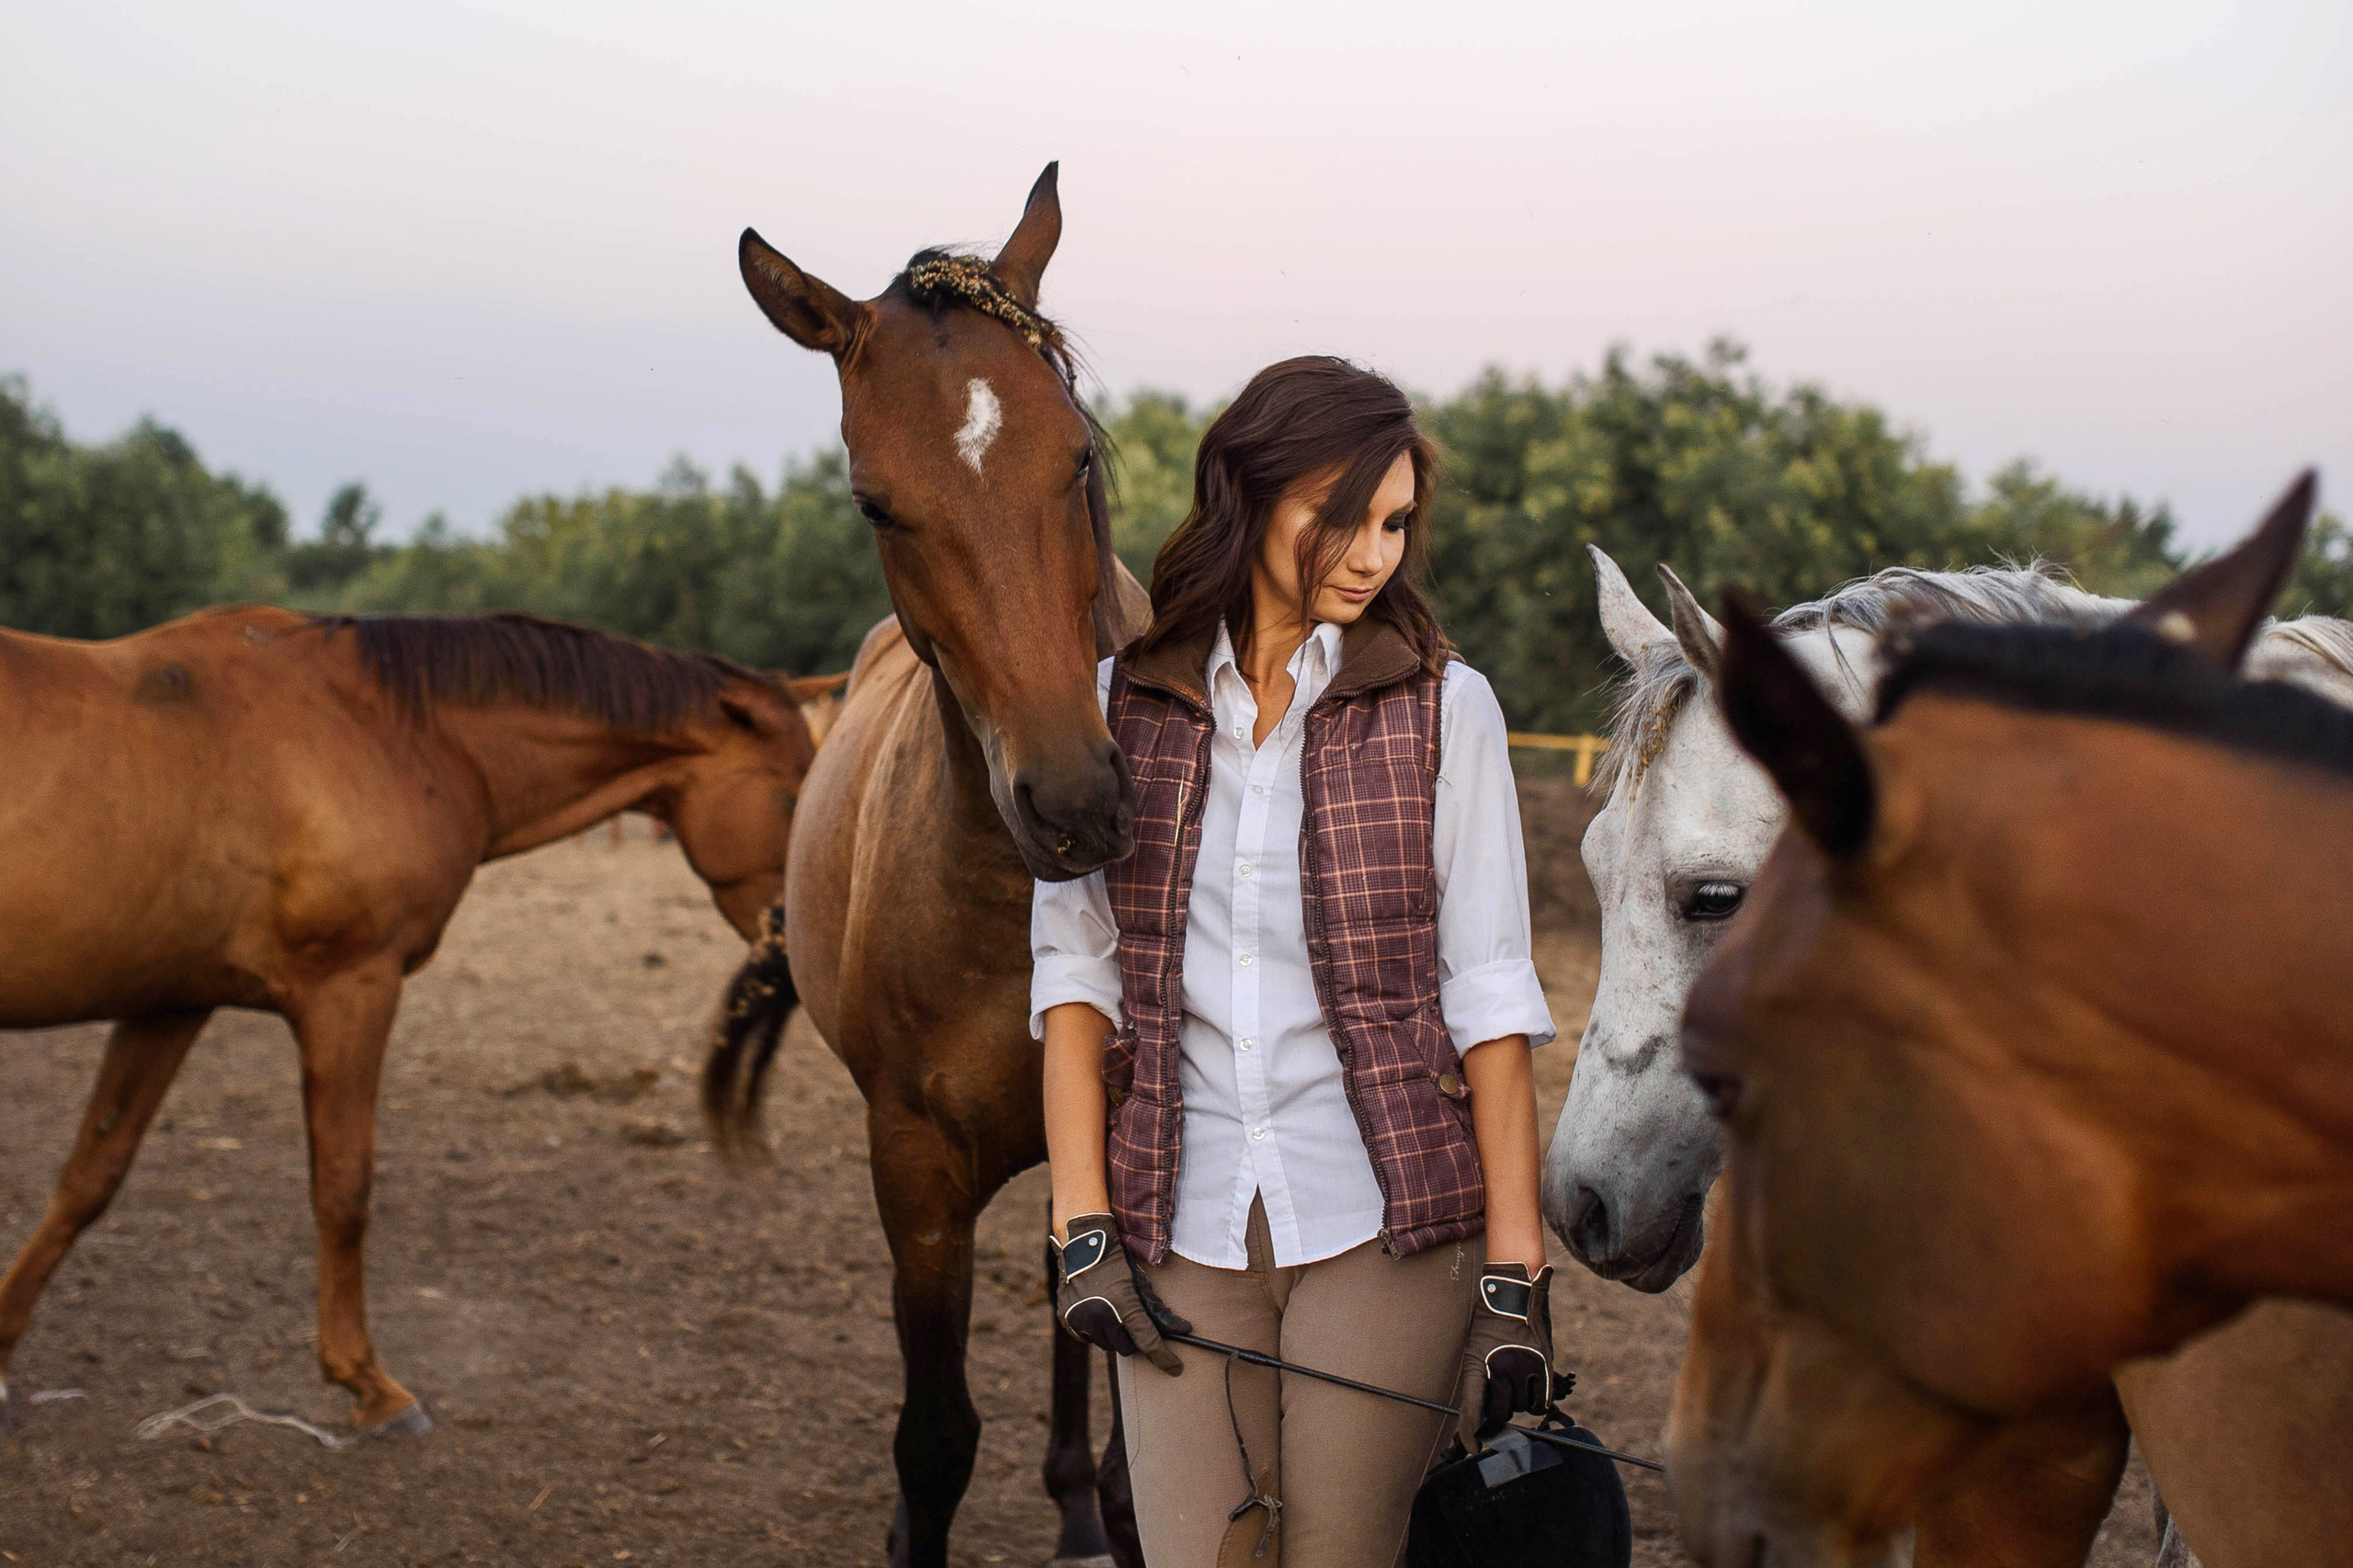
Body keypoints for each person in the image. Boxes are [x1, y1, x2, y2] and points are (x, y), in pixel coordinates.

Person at [1035, 356, 1559, 1566]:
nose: (1375, 553)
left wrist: (1516, 1272)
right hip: (1174, 1224)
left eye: (1395, 523)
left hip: (1386, 1224)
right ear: (1250, 496)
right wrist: (1081, 1229)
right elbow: (1076, 976)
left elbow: (1490, 996)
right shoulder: (1123, 706)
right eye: (1343, 517)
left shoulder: (1446, 707)